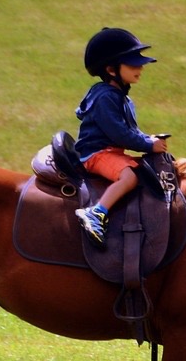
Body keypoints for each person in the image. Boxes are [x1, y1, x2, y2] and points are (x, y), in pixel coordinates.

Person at [72, 27, 170, 245]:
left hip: (111, 151)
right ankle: (97, 213)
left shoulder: (121, 97)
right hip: (97, 154)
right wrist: (148, 145)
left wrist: (148, 138)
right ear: (111, 69)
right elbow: (119, 134)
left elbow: (131, 131)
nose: (140, 68)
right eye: (133, 64)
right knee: (129, 177)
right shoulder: (105, 97)